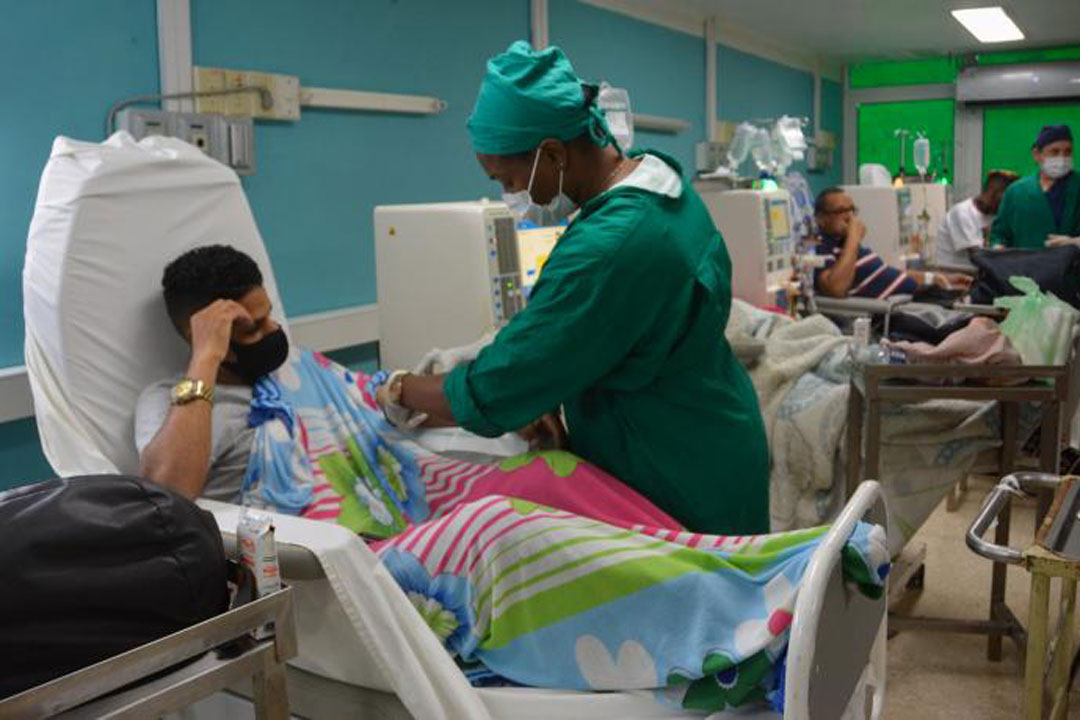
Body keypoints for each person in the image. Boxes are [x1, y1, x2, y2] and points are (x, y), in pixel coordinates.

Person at [372, 40, 770, 534]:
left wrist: (398, 387)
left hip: (673, 464)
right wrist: (548, 390)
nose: (512, 193)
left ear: (553, 153)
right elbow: (602, 336)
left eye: (510, 177)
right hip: (712, 429)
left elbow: (496, 387)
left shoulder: (609, 246)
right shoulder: (659, 184)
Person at [135, 245, 288, 501]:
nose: (273, 330)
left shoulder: (292, 371)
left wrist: (381, 394)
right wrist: (206, 356)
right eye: (253, 329)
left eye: (269, 316)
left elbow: (368, 395)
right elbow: (166, 492)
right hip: (274, 534)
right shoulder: (163, 400)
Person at [813, 187, 971, 299]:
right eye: (841, 211)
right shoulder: (821, 247)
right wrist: (854, 238)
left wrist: (935, 278)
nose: (850, 217)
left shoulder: (847, 245)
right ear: (821, 218)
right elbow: (836, 288)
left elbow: (886, 275)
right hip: (897, 310)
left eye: (852, 210)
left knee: (975, 293)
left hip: (917, 297)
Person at [990, 124, 1080, 249]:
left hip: (1071, 265)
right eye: (1055, 152)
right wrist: (998, 248)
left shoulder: (1076, 186)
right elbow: (1000, 234)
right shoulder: (1017, 191)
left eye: (1068, 152)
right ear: (1037, 154)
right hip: (1025, 266)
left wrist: (1075, 242)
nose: (1062, 158)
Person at [935, 170, 1018, 267]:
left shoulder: (995, 214)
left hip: (978, 274)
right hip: (955, 273)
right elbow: (978, 256)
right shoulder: (962, 212)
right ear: (993, 193)